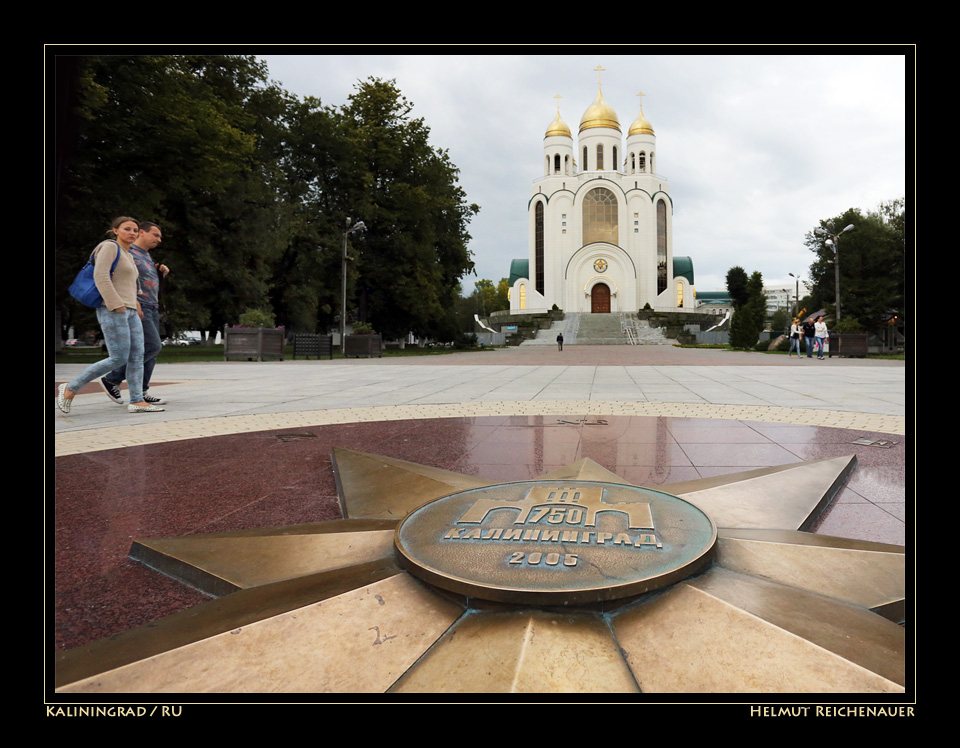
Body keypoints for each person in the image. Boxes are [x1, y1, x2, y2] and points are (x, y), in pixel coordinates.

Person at [56, 217, 165, 415]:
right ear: (115, 230)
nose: (132, 232)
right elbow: (101, 276)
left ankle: (137, 400)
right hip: (113, 309)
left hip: (131, 310)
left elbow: (132, 282)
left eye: (134, 230)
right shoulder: (109, 247)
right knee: (119, 357)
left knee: (136, 357)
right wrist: (116, 305)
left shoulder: (128, 254)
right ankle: (70, 388)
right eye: (127, 229)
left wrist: (135, 302)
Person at [99, 221, 169, 405]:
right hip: (139, 305)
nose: (159, 240)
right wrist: (135, 302)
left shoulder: (145, 255)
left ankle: (141, 391)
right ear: (142, 234)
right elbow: (124, 278)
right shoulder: (128, 252)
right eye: (155, 235)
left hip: (152, 306)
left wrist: (157, 269)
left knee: (149, 350)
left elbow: (141, 276)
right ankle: (112, 378)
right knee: (152, 346)